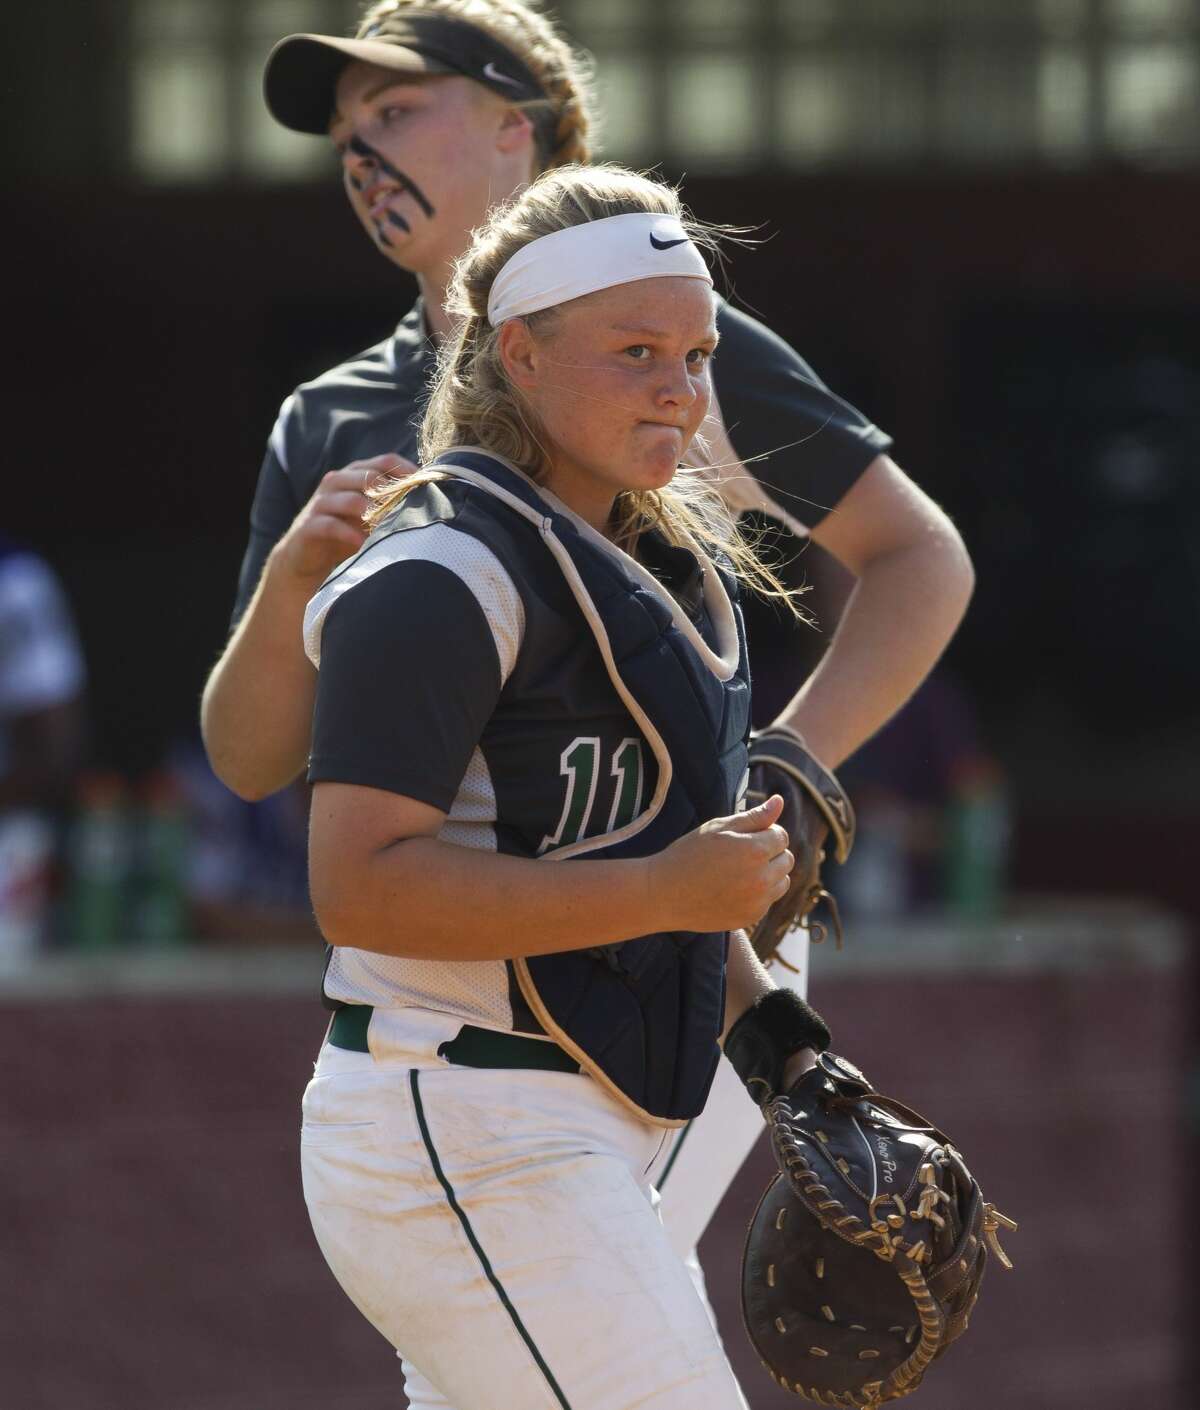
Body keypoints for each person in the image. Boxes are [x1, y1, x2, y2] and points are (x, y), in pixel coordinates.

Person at [200, 2, 974, 1401]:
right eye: (344, 136)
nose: (360, 153)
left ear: (522, 126)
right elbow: (266, 772)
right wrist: (289, 587)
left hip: (682, 991)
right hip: (478, 1038)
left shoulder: (664, 340)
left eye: (395, 110)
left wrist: (793, 771)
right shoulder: (342, 423)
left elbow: (922, 557)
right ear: (521, 361)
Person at [301, 161, 835, 1409]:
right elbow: (357, 886)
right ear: (521, 353)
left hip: (571, 1127)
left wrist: (785, 1048)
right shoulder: (442, 572)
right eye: (637, 349)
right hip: (456, 1112)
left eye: (697, 355)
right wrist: (666, 887)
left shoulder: (651, 575)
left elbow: (681, 889)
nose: (681, 385)